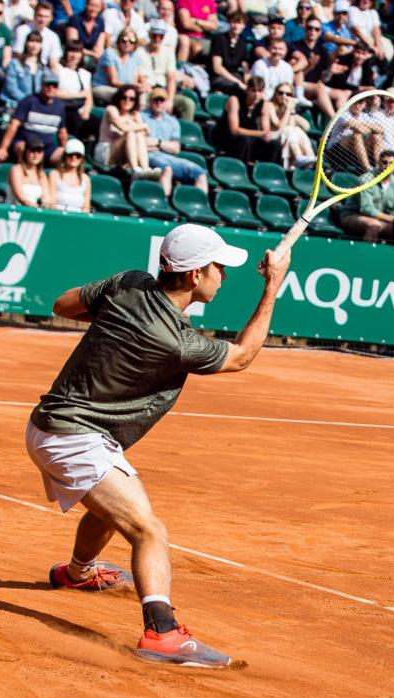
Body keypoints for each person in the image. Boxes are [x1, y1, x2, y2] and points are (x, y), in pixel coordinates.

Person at [26, 224, 290, 668]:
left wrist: (117, 324)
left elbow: (63, 305)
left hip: (50, 426)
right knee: (148, 529)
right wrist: (273, 285)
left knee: (112, 503)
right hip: (72, 439)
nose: (224, 275)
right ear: (194, 275)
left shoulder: (129, 283)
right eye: (219, 267)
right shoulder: (176, 341)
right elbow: (243, 355)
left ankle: (77, 573)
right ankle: (162, 632)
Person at [142, 86, 209, 193]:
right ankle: (164, 199)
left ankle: (200, 200)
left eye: (162, 100)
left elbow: (176, 148)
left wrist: (158, 142)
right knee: (167, 169)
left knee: (200, 173)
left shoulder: (172, 121)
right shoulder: (141, 116)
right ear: (150, 101)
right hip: (148, 156)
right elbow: (142, 143)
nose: (159, 103)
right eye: (156, 100)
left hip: (169, 157)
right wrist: (165, 146)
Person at [0, 73, 68, 165]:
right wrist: (3, 148)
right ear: (42, 85)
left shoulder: (60, 106)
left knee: (66, 157)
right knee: (23, 149)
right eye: (48, 84)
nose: (51, 87)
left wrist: (65, 149)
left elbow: (62, 132)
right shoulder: (28, 101)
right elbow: (14, 125)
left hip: (48, 148)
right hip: (26, 144)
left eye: (54, 85)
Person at [213, 76, 283, 164]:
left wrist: (266, 135)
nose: (256, 94)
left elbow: (266, 130)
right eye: (253, 90)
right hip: (226, 137)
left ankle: (270, 171)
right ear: (247, 90)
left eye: (259, 91)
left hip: (248, 138)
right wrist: (260, 134)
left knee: (274, 144)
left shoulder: (264, 105)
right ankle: (240, 169)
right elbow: (234, 130)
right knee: (245, 140)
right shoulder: (235, 100)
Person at [340, 149, 394, 241]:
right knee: (374, 225)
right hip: (352, 214)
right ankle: (366, 249)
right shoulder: (366, 180)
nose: (387, 166)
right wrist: (392, 219)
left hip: (379, 218)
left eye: (391, 163)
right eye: (384, 162)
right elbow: (366, 209)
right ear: (378, 162)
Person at [6, 137, 53, 205]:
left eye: (39, 151)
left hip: (33, 209)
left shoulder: (41, 174)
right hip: (15, 208)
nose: (36, 154)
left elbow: (47, 199)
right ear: (25, 152)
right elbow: (21, 197)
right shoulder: (16, 169)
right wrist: (34, 206)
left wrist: (47, 205)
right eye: (32, 150)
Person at [50, 137, 90, 211]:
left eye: (78, 155)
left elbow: (86, 208)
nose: (74, 157)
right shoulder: (54, 175)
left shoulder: (86, 179)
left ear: (82, 158)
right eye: (70, 154)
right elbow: (51, 203)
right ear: (65, 156)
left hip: (78, 217)